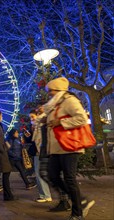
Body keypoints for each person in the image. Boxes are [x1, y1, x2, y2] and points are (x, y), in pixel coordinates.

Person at [44, 77, 95, 220]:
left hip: (70, 146)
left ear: (58, 90)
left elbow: (82, 118)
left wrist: (60, 122)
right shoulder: (55, 104)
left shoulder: (70, 101)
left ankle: (77, 212)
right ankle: (82, 200)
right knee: (52, 175)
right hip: (57, 148)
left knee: (69, 178)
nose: (49, 94)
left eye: (51, 91)